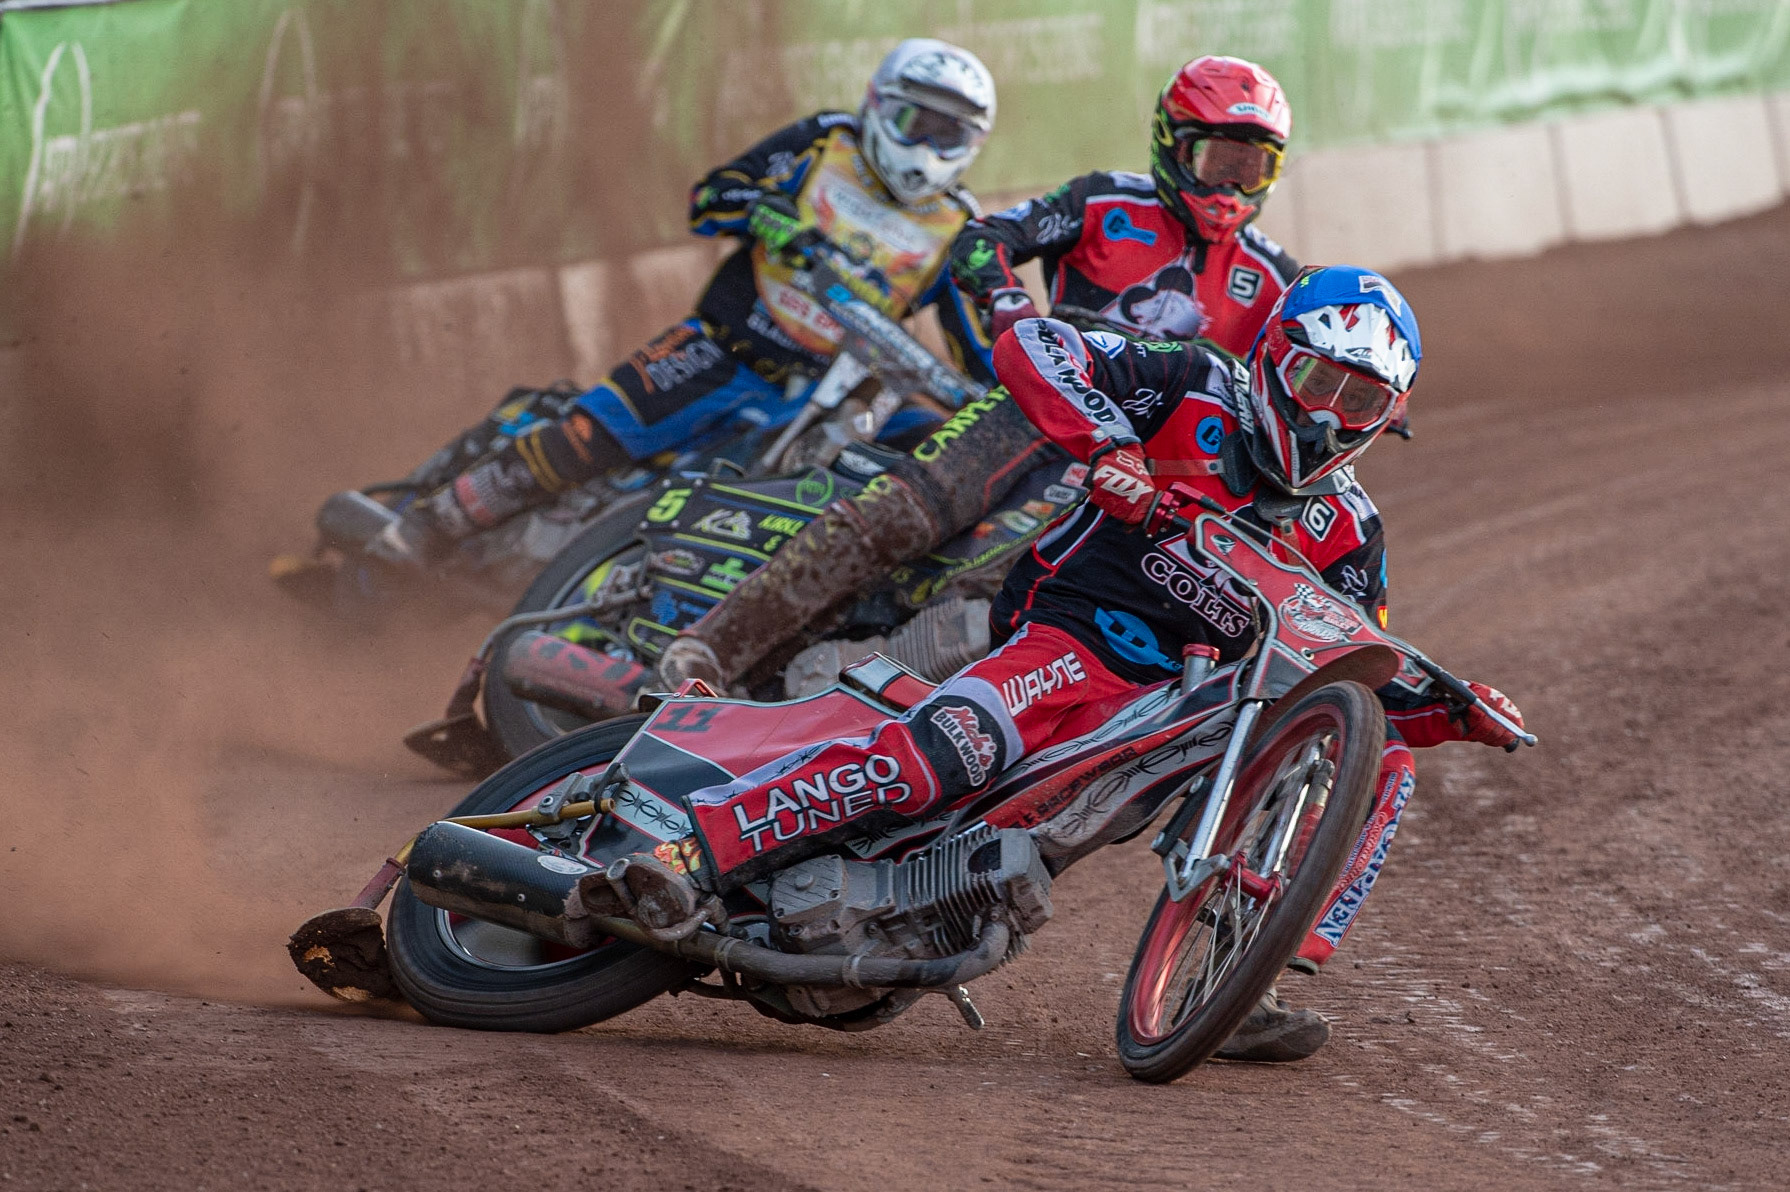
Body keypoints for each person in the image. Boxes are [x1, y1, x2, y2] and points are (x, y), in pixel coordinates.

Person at [609, 266, 1526, 1062]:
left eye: (1359, 401)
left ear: (1387, 418)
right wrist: (1109, 445)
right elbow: (1040, 343)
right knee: (953, 749)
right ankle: (689, 851)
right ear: (1275, 356)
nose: (1329, 415)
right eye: (1318, 380)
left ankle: (1248, 976)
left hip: (1189, 707)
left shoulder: (1352, 529)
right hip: (1075, 633)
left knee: (1371, 763)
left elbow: (1354, 668)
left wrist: (1452, 712)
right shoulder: (1197, 381)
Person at [658, 55, 1302, 694]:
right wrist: (1008, 303)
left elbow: (1292, 375)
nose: (1228, 189)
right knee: (897, 516)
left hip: (1135, 463)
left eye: (1252, 170)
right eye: (1216, 162)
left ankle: (880, 702)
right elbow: (982, 238)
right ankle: (708, 651)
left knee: (1025, 594)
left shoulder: (1276, 279)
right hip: (1036, 401)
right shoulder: (1105, 199)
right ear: (1172, 146)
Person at [354, 39, 998, 570]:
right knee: (589, 436)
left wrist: (1016, 395)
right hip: (722, 351)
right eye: (918, 122)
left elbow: (975, 350)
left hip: (829, 404)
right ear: (881, 105)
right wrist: (767, 215)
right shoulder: (827, 142)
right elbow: (712, 197)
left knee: (895, 475)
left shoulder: (958, 227)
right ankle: (420, 531)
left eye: (951, 133)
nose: (928, 147)